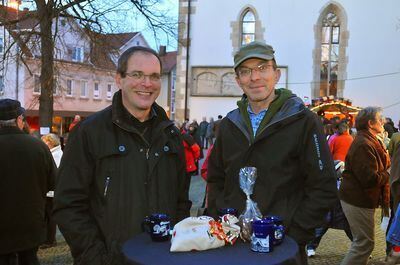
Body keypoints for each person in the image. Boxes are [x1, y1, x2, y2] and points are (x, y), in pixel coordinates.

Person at [53, 46, 192, 264]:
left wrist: (176, 245)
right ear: (119, 79)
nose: (147, 84)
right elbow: (68, 204)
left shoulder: (171, 135)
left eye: (154, 76)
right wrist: (97, 258)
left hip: (162, 258)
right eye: (137, 75)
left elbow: (181, 200)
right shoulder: (90, 132)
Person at [207, 41, 337, 264]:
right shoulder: (229, 124)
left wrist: (294, 236)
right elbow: (216, 179)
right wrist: (221, 222)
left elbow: (323, 186)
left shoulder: (303, 121)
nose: (254, 77)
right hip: (233, 247)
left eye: (262, 68)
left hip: (283, 248)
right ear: (238, 81)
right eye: (246, 71)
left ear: (276, 75)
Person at [0, 99, 56, 265]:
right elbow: (54, 183)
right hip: (31, 224)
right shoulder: (39, 147)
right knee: (29, 259)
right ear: (19, 120)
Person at [339, 107, 390, 265]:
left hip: (360, 198)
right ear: (370, 123)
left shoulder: (370, 140)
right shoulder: (363, 144)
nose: (383, 121)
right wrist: (390, 171)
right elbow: (369, 179)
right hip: (358, 199)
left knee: (363, 242)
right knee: (364, 244)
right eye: (379, 118)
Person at [40, 133, 63, 249]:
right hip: (49, 190)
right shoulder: (53, 153)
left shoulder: (57, 154)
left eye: (45, 142)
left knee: (50, 216)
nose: (43, 144)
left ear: (50, 142)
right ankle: (47, 239)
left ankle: (50, 240)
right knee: (47, 215)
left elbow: (54, 173)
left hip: (52, 191)